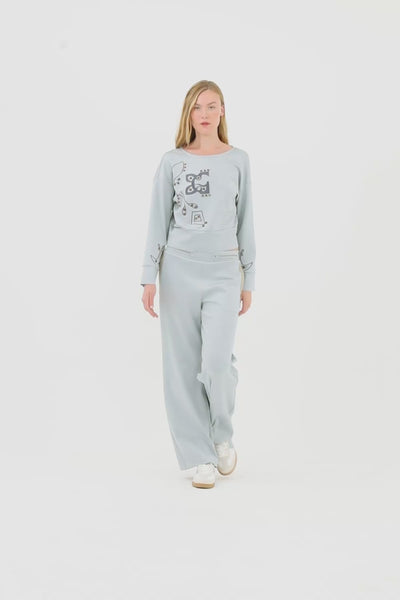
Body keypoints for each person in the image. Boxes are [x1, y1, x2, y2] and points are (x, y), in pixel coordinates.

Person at [140, 80, 256, 489]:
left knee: (216, 364)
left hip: (223, 271)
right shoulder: (172, 161)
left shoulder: (238, 160)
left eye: (211, 106)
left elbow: (246, 222)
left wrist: (248, 277)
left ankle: (221, 435)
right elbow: (158, 219)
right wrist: (148, 276)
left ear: (222, 111)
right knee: (182, 367)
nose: (204, 114)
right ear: (188, 114)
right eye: (196, 107)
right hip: (177, 271)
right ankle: (199, 455)